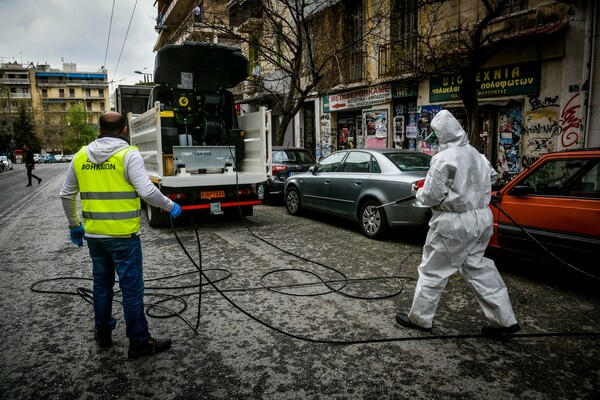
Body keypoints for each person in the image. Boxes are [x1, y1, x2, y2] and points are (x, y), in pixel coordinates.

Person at [60, 111, 182, 359]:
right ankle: (138, 342)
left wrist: (75, 225)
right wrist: (169, 206)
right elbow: (146, 190)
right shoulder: (128, 154)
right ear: (124, 130)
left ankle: (103, 333)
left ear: (99, 129)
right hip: (124, 238)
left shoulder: (81, 156)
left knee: (102, 286)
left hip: (95, 238)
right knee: (132, 290)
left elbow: (66, 194)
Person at [395, 110, 520, 338]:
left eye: (434, 132)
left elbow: (432, 196)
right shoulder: (476, 154)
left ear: (442, 133)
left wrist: (418, 192)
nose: (432, 137)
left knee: (433, 270)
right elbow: (491, 178)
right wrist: (469, 190)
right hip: (481, 218)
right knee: (478, 266)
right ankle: (504, 320)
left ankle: (420, 319)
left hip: (454, 223)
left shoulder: (443, 158)